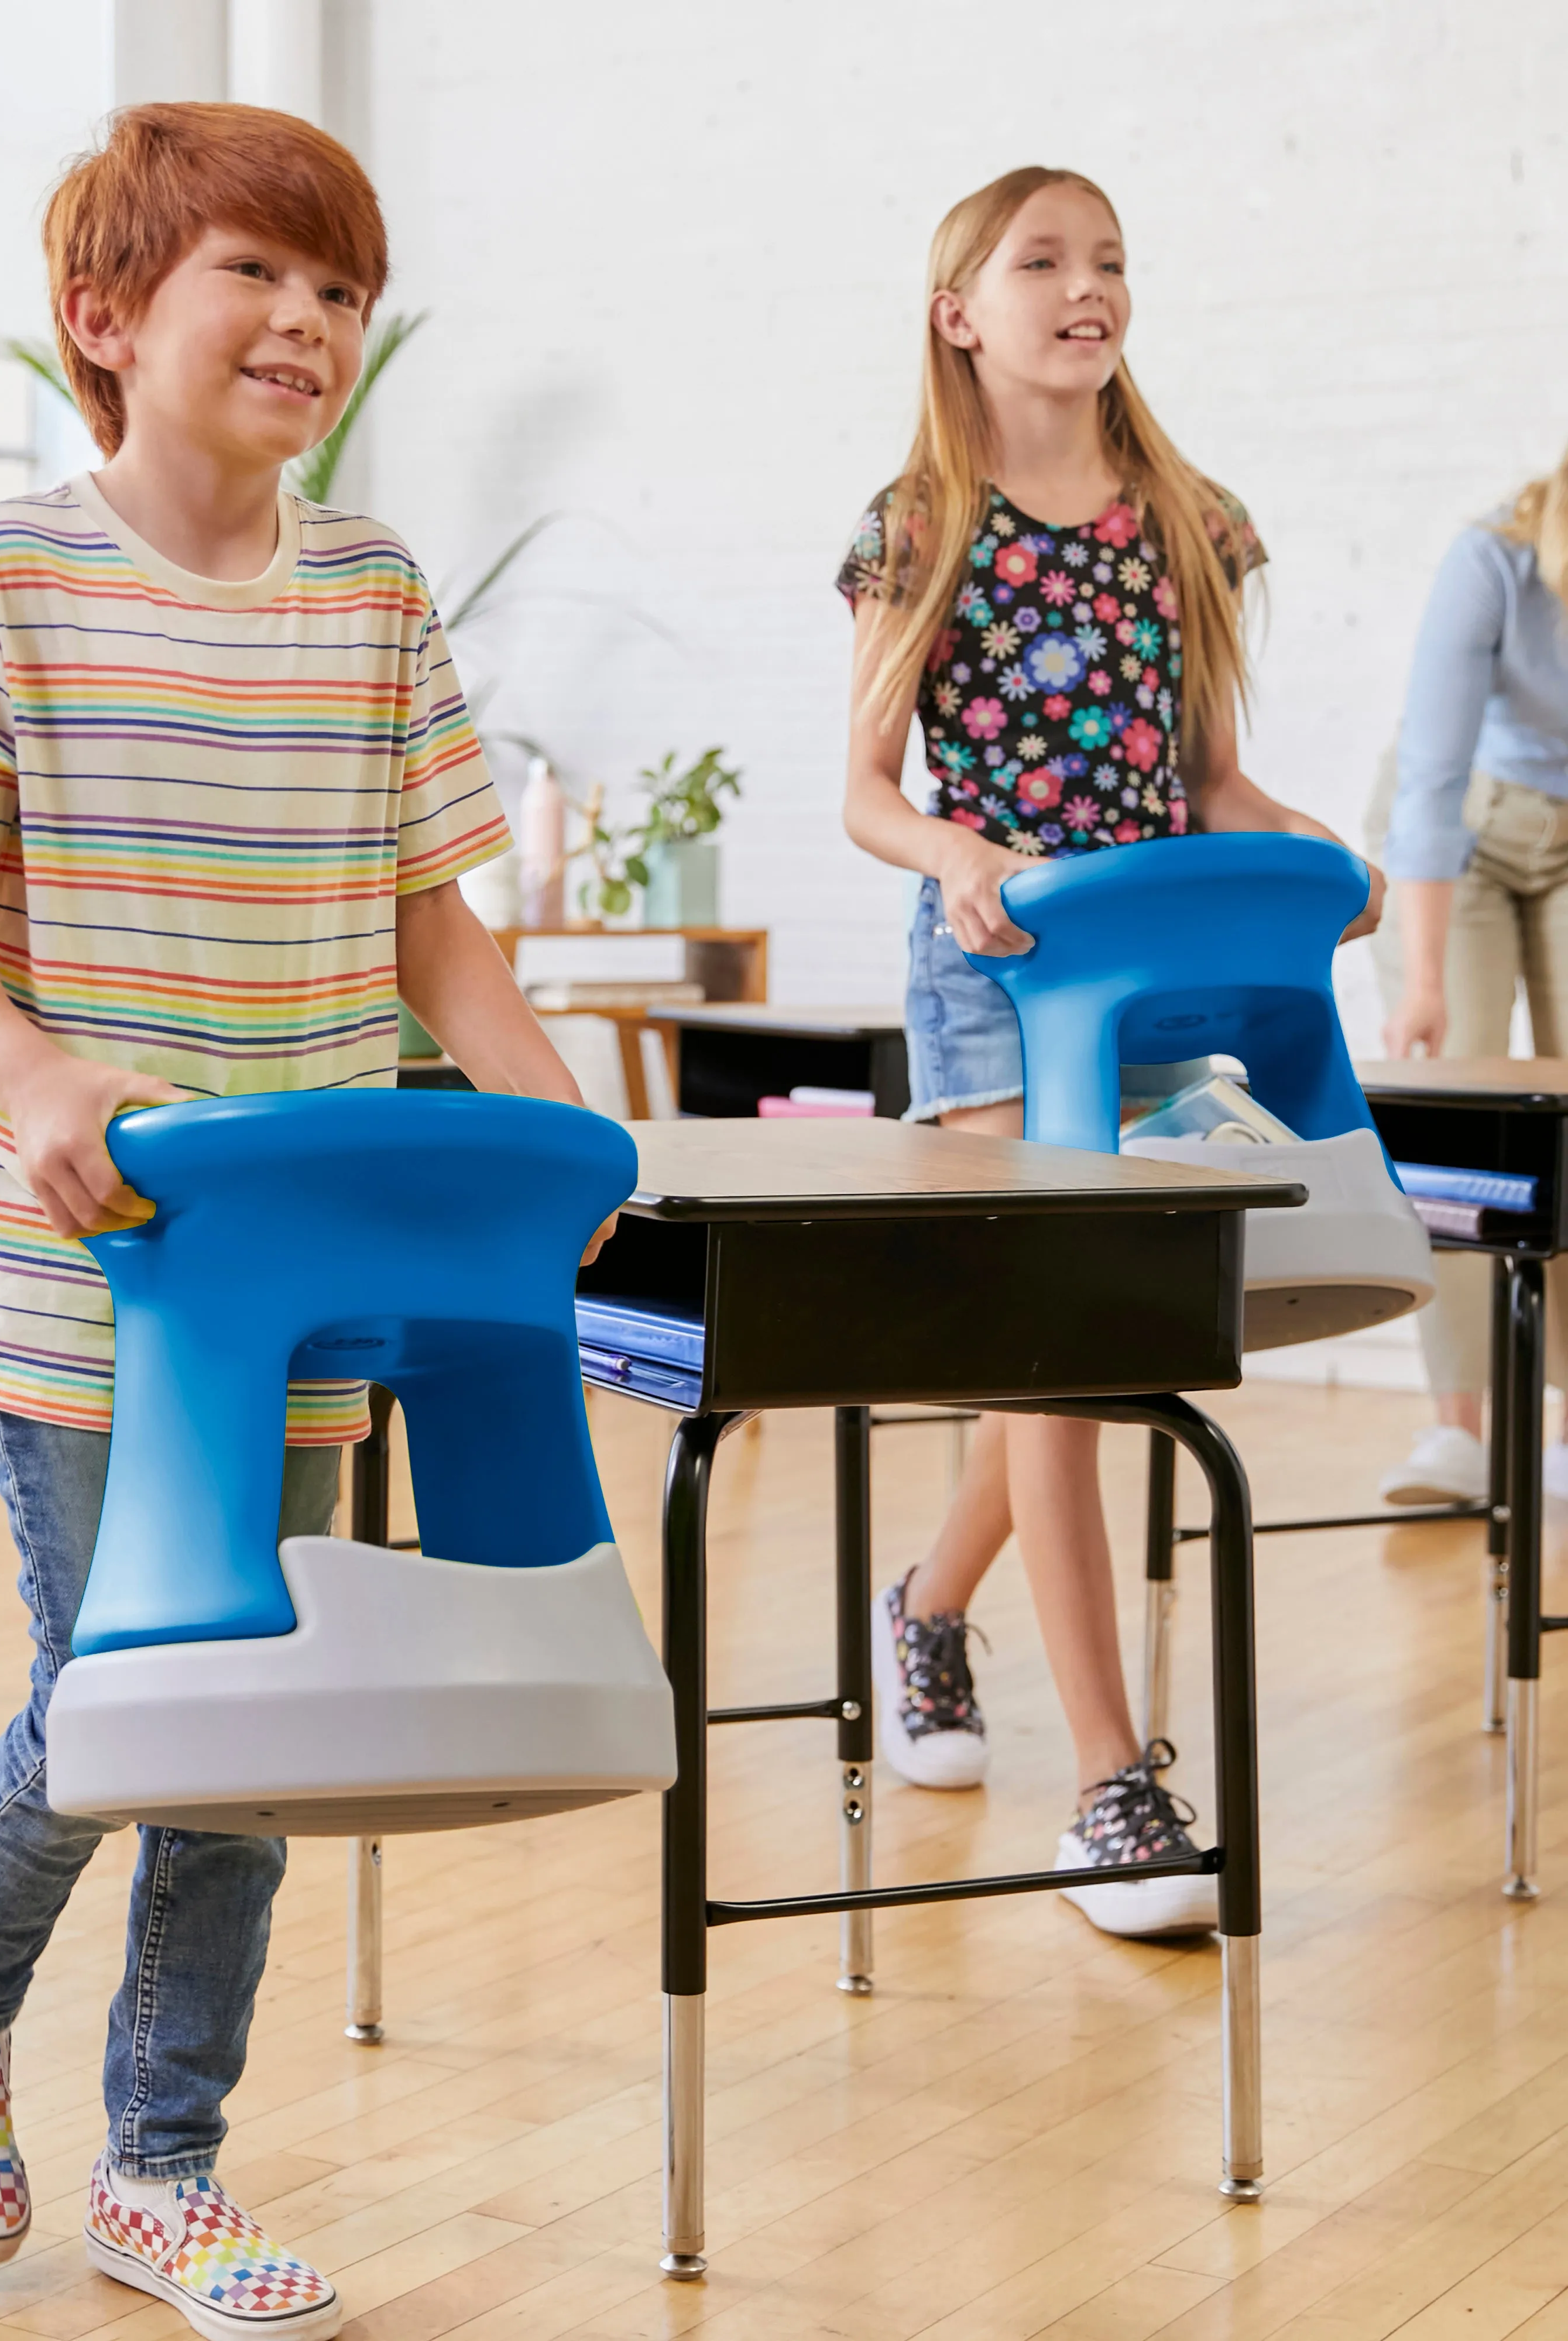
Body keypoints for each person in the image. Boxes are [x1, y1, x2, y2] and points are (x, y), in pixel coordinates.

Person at [0, 104, 603, 2337]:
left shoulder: (368, 599)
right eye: (257, 273)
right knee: (133, 1677)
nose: (311, 321)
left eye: (340, 289)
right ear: (106, 318)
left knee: (255, 1708)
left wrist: (560, 1135)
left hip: (317, 1260)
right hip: (89, 1263)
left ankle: (164, 2170)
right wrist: (40, 1071)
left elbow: (439, 931)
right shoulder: (10, 579)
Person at [838, 165, 1384, 1938]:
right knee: (1065, 1344)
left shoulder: (1190, 519)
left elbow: (1208, 781)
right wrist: (965, 858)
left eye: (1112, 263)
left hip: (1163, 975)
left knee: (1072, 1344)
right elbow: (869, 800)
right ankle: (1110, 1784)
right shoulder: (918, 523)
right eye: (1046, 262)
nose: (1091, 289)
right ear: (960, 310)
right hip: (998, 974)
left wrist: (1328, 861)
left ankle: (924, 1608)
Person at [1371, 441, 1568, 1506]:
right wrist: (1426, 986)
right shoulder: (1493, 559)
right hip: (1460, 837)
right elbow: (1433, 784)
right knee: (1458, 1112)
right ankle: (1460, 1429)